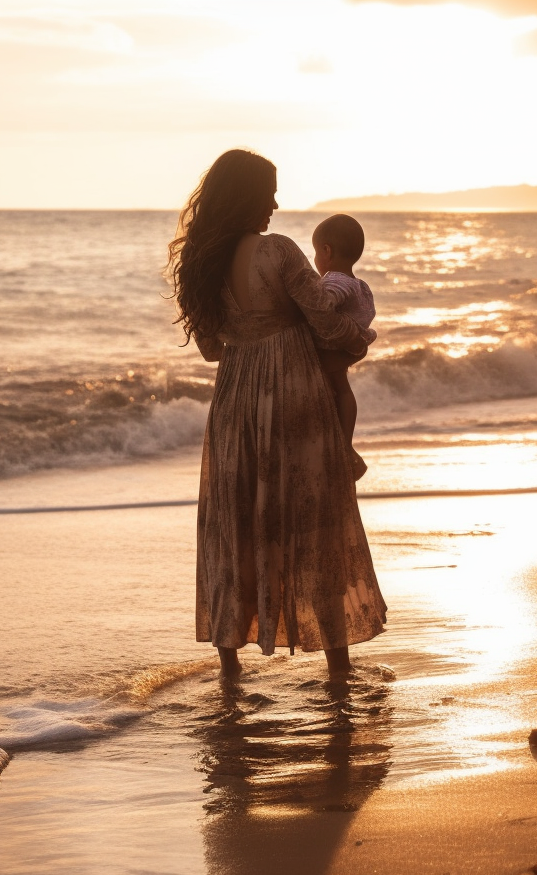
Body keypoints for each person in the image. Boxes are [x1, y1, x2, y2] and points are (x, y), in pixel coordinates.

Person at [166, 149, 387, 681]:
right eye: (268, 192)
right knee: (315, 518)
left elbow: (213, 352)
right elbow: (329, 327)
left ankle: (229, 664)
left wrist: (253, 333)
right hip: (293, 394)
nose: (275, 202)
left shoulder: (203, 264)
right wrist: (356, 338)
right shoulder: (281, 252)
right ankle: (336, 661)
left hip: (235, 399)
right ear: (247, 196)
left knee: (236, 519)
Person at [312, 214, 376, 480]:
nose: (314, 259)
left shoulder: (335, 280)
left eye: (315, 252)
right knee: (343, 390)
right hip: (348, 344)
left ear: (326, 251)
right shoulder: (360, 285)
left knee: (337, 388)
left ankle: (345, 447)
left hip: (334, 347)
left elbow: (322, 305)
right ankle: (346, 445)